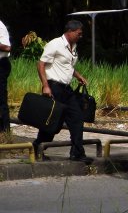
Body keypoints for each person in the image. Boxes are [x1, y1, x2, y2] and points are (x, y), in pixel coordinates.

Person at [33, 20, 91, 163]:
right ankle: (37, 148)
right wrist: (45, 85)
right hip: (54, 88)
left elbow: (67, 66)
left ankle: (77, 152)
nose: (80, 36)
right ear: (70, 31)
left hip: (66, 89)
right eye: (79, 33)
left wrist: (78, 76)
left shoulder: (74, 46)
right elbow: (41, 64)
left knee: (77, 118)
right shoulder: (55, 44)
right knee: (52, 123)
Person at [0, 19, 11, 134]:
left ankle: (5, 130)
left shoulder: (0, 26)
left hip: (1, 65)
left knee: (1, 99)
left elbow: (7, 47)